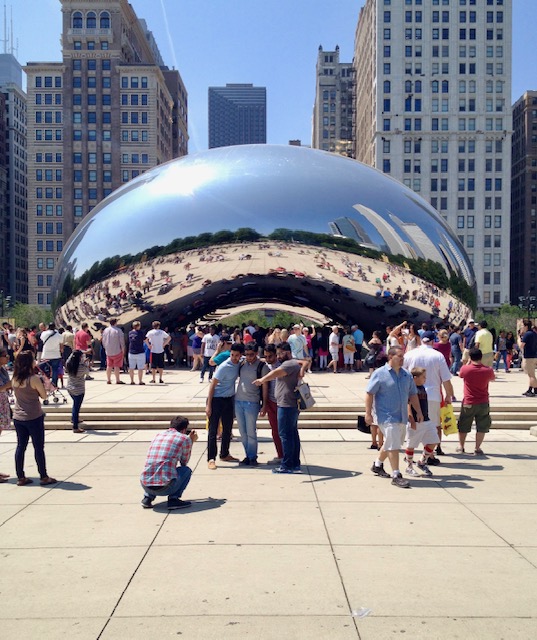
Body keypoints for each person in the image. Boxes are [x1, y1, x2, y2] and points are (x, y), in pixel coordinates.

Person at [365, 346, 423, 488]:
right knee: (393, 445)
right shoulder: (379, 374)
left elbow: (413, 394)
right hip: (386, 416)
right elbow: (369, 393)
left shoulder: (406, 375)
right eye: (400, 356)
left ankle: (377, 464)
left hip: (401, 416)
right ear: (390, 357)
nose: (403, 359)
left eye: (403, 357)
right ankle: (396, 474)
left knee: (392, 442)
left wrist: (418, 412)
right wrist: (368, 413)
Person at [403, 331, 454, 459]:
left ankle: (409, 453)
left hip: (411, 395)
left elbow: (402, 375)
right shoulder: (438, 356)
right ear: (433, 341)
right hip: (432, 395)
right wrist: (449, 395)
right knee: (433, 425)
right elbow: (446, 379)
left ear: (421, 340)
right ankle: (429, 456)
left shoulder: (409, 354)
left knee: (413, 424)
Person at [253, 342, 302, 474]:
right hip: (288, 404)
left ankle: (286, 464)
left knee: (285, 435)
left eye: (280, 353)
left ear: (287, 352)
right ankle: (294, 462)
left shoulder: (288, 364)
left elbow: (276, 372)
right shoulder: (293, 363)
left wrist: (262, 379)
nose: (279, 356)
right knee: (292, 434)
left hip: (286, 404)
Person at [11, 351, 56, 486]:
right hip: (33, 416)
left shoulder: (15, 378)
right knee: (38, 447)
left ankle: (20, 476)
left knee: (20, 446)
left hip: (19, 417)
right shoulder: (33, 378)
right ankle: (43, 476)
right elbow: (44, 396)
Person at [140, 415, 198, 510]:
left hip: (145, 484)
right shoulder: (184, 438)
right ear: (184, 429)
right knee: (186, 470)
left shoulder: (158, 435)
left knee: (156, 467)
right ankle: (173, 499)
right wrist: (191, 442)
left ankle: (147, 498)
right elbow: (184, 462)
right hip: (166, 487)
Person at [205, 343, 244, 469]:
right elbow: (212, 385)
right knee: (213, 430)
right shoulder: (224, 366)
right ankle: (211, 458)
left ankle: (224, 453)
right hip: (216, 399)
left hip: (229, 399)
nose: (234, 357)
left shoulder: (240, 362)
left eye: (237, 355)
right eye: (232, 355)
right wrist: (209, 405)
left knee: (227, 428)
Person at [456, 348, 495, 455]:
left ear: (470, 357)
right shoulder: (488, 370)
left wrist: (468, 362)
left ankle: (461, 446)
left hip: (469, 401)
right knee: (482, 426)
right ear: (481, 357)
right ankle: (477, 448)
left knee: (463, 425)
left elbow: (460, 375)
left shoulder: (466, 369)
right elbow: (493, 378)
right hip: (483, 401)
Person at [236, 343, 269, 466]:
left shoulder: (262, 366)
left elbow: (265, 386)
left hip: (252, 402)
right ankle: (247, 455)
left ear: (256, 353)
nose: (249, 357)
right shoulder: (242, 364)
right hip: (239, 400)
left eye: (251, 354)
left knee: (251, 431)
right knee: (242, 432)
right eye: (247, 354)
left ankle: (252, 456)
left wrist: (264, 405)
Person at [404, 367, 438, 478]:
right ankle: (409, 466)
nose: (425, 379)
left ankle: (422, 462)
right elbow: (408, 404)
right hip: (415, 421)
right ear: (415, 378)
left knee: (434, 440)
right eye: (423, 377)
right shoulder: (410, 388)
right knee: (411, 445)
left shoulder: (422, 387)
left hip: (426, 419)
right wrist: (411, 419)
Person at [262, 344, 284, 464]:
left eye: (270, 356)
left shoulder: (282, 366)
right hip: (271, 401)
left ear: (276, 355)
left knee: (284, 431)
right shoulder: (265, 366)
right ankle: (280, 454)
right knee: (275, 430)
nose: (268, 359)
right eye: (265, 356)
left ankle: (287, 455)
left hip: (282, 403)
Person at [65, 350, 89, 433]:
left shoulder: (69, 364)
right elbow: (87, 372)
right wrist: (85, 363)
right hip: (79, 389)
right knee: (76, 407)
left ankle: (74, 418)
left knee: (75, 404)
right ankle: (75, 426)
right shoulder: (82, 367)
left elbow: (69, 359)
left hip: (70, 387)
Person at [0, 348, 12, 481]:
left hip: (2, 404)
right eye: (5, 356)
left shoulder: (3, 370)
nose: (7, 358)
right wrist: (7, 385)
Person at [101, 318, 126, 385]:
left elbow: (103, 340)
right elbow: (122, 341)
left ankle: (108, 379)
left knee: (109, 365)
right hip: (117, 350)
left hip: (108, 351)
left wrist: (105, 347)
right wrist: (123, 349)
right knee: (116, 366)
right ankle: (117, 380)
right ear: (115, 322)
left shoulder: (105, 330)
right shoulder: (118, 330)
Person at [40, 322, 63, 387]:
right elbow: (61, 345)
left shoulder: (44, 333)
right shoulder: (58, 335)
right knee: (55, 370)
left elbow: (41, 339)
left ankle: (45, 383)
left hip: (46, 355)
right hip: (56, 355)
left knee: (45, 370)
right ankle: (54, 384)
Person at [518, 320, 537, 397]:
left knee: (531, 375)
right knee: (531, 374)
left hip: (528, 356)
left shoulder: (527, 334)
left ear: (525, 326)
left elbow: (521, 346)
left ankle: (534, 389)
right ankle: (531, 389)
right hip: (534, 355)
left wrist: (519, 339)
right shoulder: (534, 334)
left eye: (522, 326)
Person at [128, 321, 146, 385]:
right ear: (138, 326)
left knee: (131, 368)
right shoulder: (140, 332)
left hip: (131, 351)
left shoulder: (130, 333)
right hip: (140, 351)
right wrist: (149, 346)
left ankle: (132, 380)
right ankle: (140, 381)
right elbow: (145, 340)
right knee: (140, 368)